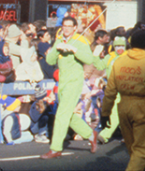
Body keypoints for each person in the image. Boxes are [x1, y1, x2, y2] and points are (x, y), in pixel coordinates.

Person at [101, 29, 145, 171]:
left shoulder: (119, 62)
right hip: (141, 106)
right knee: (142, 149)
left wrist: (105, 112)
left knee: (133, 147)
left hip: (123, 107)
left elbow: (110, 91)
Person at [41, 15, 102, 159]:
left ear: (75, 28)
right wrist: (57, 48)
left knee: (62, 114)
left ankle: (55, 149)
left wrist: (73, 49)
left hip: (74, 82)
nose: (66, 28)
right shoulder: (59, 39)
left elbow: (88, 59)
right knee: (66, 115)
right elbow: (50, 60)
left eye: (69, 26)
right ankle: (90, 134)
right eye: (64, 25)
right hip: (61, 82)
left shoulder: (81, 41)